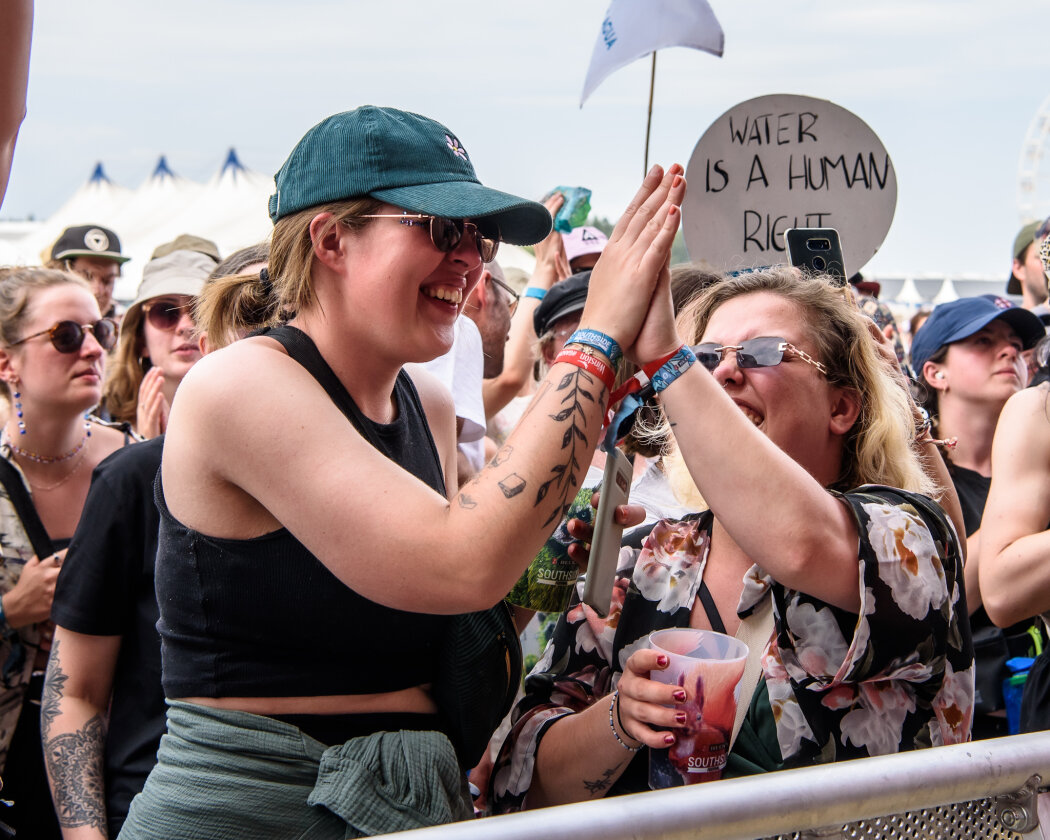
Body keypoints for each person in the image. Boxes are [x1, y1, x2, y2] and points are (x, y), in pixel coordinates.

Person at [115, 105, 685, 839]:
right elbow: (458, 566)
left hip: (409, 806)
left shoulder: (429, 400)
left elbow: (442, 612)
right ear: (330, 240)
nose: (471, 260)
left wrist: (542, 562)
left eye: (477, 238)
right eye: (444, 229)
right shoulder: (237, 385)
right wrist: (598, 333)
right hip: (255, 812)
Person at [492, 266, 974, 812]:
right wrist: (620, 718)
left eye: (762, 352)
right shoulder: (639, 562)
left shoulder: (914, 537)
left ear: (841, 407)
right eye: (705, 357)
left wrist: (670, 358)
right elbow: (521, 782)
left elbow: (802, 546)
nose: (723, 372)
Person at [42, 244, 269, 840]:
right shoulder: (132, 477)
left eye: (282, 308)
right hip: (153, 806)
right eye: (246, 309)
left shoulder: (364, 478)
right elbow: (76, 690)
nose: (268, 331)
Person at [0, 266, 131, 837]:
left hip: (118, 747)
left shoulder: (136, 463)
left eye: (101, 332)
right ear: (7, 363)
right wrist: (12, 610)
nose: (92, 350)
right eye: (65, 336)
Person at [910, 295, 1043, 738]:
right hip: (959, 732)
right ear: (935, 372)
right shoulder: (914, 478)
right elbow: (934, 607)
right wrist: (1010, 540)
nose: (1009, 352)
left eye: (1017, 344)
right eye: (983, 341)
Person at [99, 249, 213, 438]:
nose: (186, 327)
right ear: (141, 339)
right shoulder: (102, 421)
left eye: (202, 311)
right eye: (165, 312)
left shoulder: (249, 415)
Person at [47, 226, 131, 322]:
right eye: (86, 278)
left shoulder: (121, 330)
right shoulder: (36, 328)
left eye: (107, 281)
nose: (97, 291)